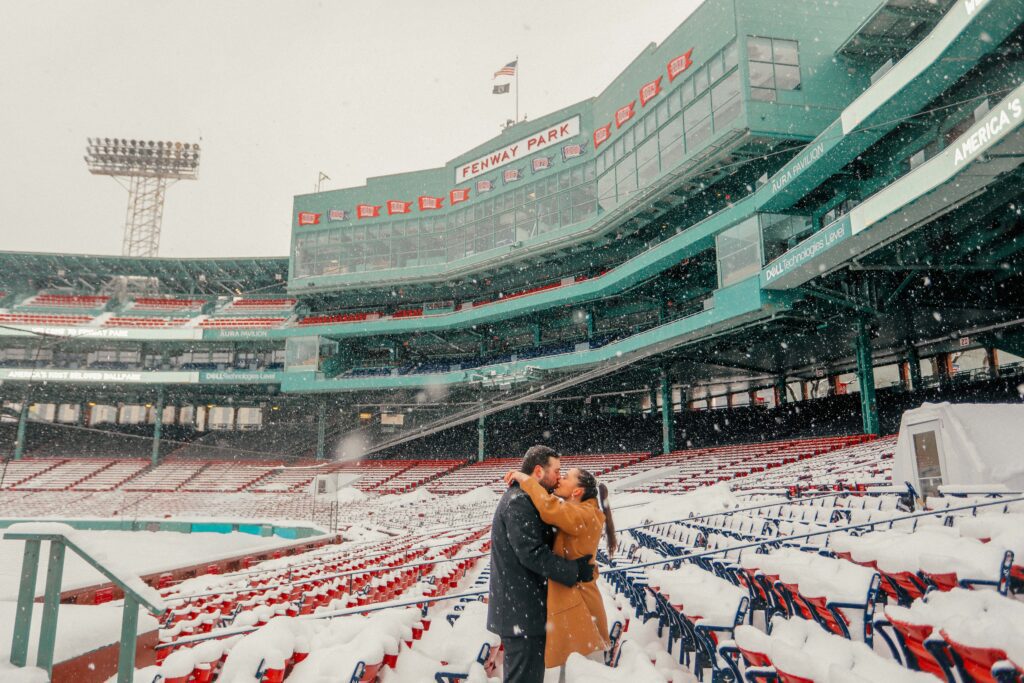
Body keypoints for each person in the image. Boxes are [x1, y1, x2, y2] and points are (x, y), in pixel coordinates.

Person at [487, 446, 595, 683]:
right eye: (556, 471)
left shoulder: (527, 498)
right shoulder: (519, 501)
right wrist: (574, 570)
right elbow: (532, 554)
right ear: (538, 471)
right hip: (521, 613)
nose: (559, 477)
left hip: (524, 612)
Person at [503, 466, 616, 677]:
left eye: (566, 477)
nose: (560, 479)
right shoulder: (583, 512)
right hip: (576, 605)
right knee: (574, 672)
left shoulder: (585, 513)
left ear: (577, 491)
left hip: (582, 609)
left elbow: (550, 508)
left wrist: (525, 479)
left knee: (585, 674)